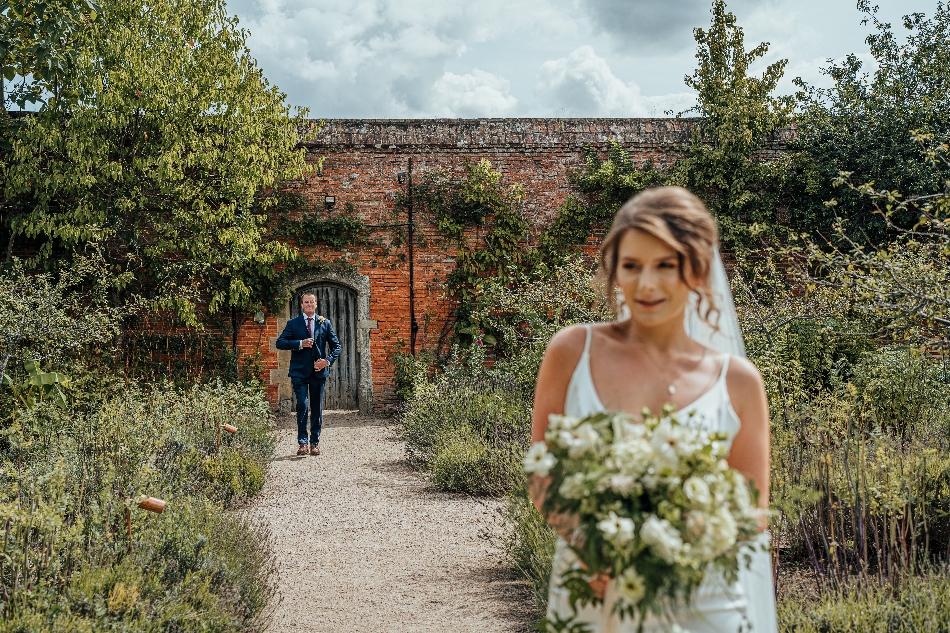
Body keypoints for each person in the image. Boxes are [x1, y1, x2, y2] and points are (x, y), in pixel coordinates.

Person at [529, 186, 777, 632]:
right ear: (614, 271)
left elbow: (751, 514)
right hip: (594, 587)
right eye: (632, 266)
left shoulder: (738, 382)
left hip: (702, 600)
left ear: (697, 271)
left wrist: (673, 557)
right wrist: (600, 551)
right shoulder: (571, 351)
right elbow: (543, 474)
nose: (646, 284)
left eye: (665, 265)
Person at [276, 291, 342, 456]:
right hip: (299, 371)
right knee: (303, 405)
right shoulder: (293, 323)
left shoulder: (324, 323)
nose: (309, 305)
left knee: (316, 408)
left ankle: (314, 443)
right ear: (302, 305)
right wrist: (300, 343)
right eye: (306, 302)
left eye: (312, 302)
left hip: (318, 372)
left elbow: (336, 346)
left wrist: (327, 361)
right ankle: (302, 443)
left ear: (316, 304)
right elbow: (280, 342)